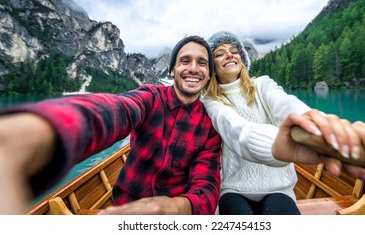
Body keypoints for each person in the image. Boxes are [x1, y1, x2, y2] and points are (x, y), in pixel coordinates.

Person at [0, 35, 222, 215]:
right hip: (122, 206)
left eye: (202, 63)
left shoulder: (210, 124)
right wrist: (44, 128)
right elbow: (117, 109)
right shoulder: (150, 97)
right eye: (185, 61)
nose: (193, 68)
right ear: (172, 70)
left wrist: (176, 206)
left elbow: (207, 184)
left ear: (209, 74)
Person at [202, 31, 365, 215]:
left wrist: (322, 128)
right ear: (213, 67)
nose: (229, 54)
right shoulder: (211, 102)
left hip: (278, 187)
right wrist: (280, 146)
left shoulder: (262, 85)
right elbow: (237, 130)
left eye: (234, 51)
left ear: (242, 59)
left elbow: (289, 106)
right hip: (234, 189)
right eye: (219, 53)